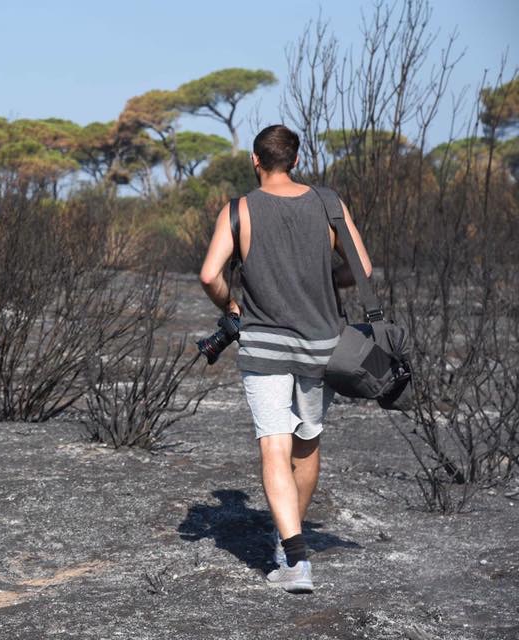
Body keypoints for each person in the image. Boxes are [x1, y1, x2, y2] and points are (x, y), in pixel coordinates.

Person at [198, 124, 372, 593]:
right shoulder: (328, 202)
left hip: (264, 347)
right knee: (307, 445)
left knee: (273, 445)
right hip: (322, 346)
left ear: (256, 160)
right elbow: (364, 267)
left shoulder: (239, 210)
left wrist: (230, 306)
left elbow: (210, 274)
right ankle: (286, 544)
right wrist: (323, 279)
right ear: (295, 160)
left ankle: (296, 561)